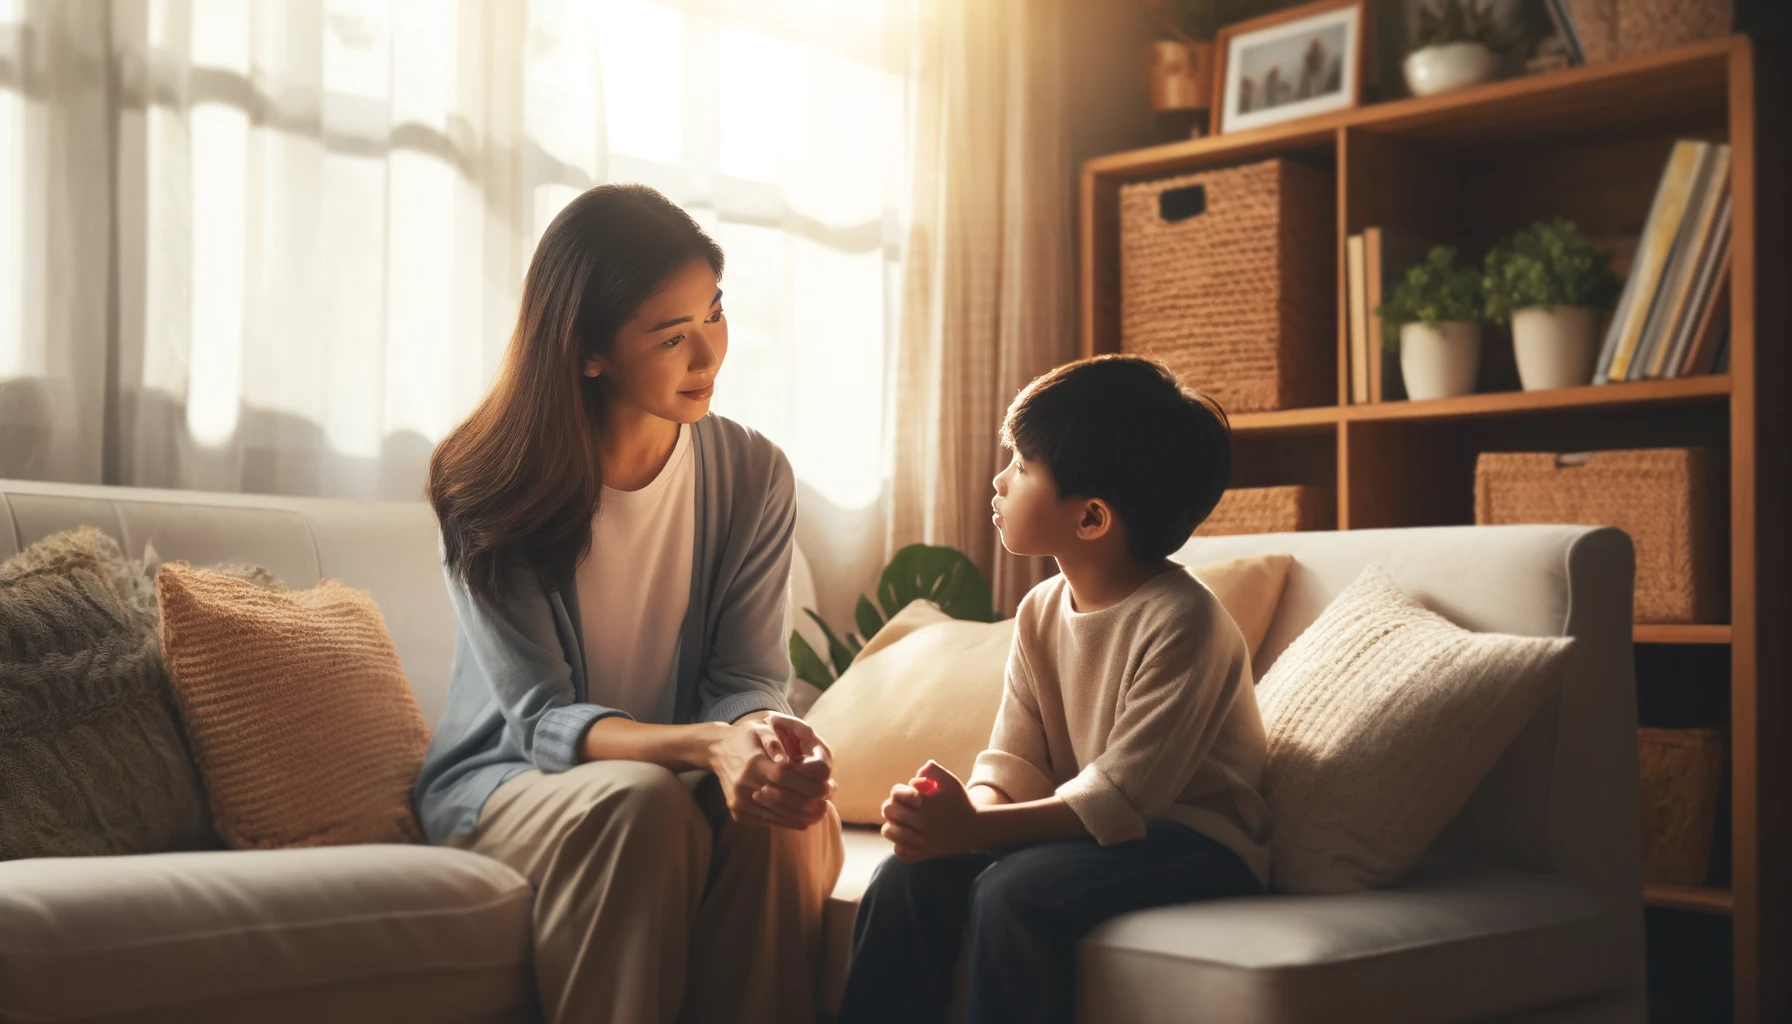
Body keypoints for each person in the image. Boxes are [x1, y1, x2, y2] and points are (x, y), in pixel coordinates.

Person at [414, 183, 843, 1024]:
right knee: (643, 809)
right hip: (512, 783)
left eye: (714, 314)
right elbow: (541, 720)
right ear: (588, 351)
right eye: (671, 335)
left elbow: (748, 675)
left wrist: (755, 739)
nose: (708, 355)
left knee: (778, 813)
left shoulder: (753, 474)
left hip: (676, 777)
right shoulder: (487, 483)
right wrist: (711, 747)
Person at [835, 355, 1271, 1024]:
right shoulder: (1043, 609)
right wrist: (960, 819)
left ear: (1091, 518)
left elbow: (1125, 797)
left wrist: (977, 828)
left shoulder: (1186, 622)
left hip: (1194, 842)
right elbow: (1015, 762)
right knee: (907, 875)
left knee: (1017, 893)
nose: (999, 479)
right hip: (1093, 829)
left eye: (1022, 467)